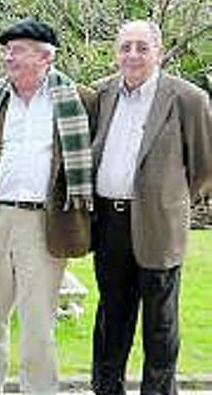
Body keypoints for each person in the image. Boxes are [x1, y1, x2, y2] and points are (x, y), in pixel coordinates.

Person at [0, 19, 93, 394]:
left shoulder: (76, 100)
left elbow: (87, 154)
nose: (7, 57)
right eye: (6, 50)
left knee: (38, 322)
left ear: (44, 57)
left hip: (44, 223)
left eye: (16, 50)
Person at [90, 20, 212, 395]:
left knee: (160, 323)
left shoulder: (187, 99)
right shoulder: (101, 93)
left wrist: (170, 200)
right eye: (126, 47)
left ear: (158, 52)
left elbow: (205, 165)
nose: (133, 55)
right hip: (109, 222)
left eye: (142, 47)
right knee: (112, 315)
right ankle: (106, 388)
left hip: (159, 225)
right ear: (115, 52)